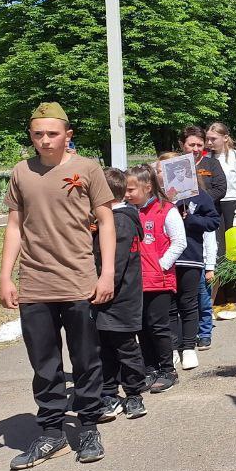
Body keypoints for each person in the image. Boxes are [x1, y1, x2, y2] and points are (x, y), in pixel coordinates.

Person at [0, 102, 116, 469]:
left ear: (68, 135)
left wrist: (107, 272)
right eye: (38, 134)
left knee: (85, 360)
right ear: (31, 136)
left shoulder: (87, 169)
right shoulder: (21, 172)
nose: (45, 140)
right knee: (44, 365)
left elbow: (106, 222)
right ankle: (51, 432)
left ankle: (89, 426)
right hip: (34, 284)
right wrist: (5, 276)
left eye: (52, 133)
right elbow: (15, 227)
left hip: (78, 281)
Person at [93, 167, 149, 423]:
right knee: (103, 348)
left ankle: (134, 393)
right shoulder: (113, 219)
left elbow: (115, 261)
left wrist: (101, 286)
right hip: (106, 297)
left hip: (120, 297)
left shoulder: (121, 221)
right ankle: (108, 393)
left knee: (125, 348)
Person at [157, 152, 221, 371]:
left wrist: (192, 220)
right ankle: (173, 347)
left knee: (189, 303)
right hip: (164, 260)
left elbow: (213, 221)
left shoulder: (198, 195)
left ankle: (188, 347)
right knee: (168, 306)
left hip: (190, 258)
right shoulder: (156, 198)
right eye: (160, 170)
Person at [126, 164, 186, 394]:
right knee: (140, 327)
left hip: (158, 281)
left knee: (158, 327)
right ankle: (149, 368)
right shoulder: (127, 211)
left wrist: (160, 265)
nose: (127, 193)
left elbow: (179, 241)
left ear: (148, 187)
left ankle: (167, 369)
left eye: (132, 189)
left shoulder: (166, 210)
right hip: (134, 281)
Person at [181, 126, 224, 351]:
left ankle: (204, 331)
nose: (196, 149)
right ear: (183, 145)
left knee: (201, 296)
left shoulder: (210, 165)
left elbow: (220, 188)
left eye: (200, 144)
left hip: (203, 227)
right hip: (179, 247)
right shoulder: (174, 168)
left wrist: (200, 199)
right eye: (191, 145)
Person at [205, 122, 236, 260]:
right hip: (214, 205)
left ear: (225, 138)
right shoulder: (207, 158)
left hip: (232, 205)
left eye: (213, 139)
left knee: (235, 249)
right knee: (217, 248)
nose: (209, 142)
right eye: (207, 139)